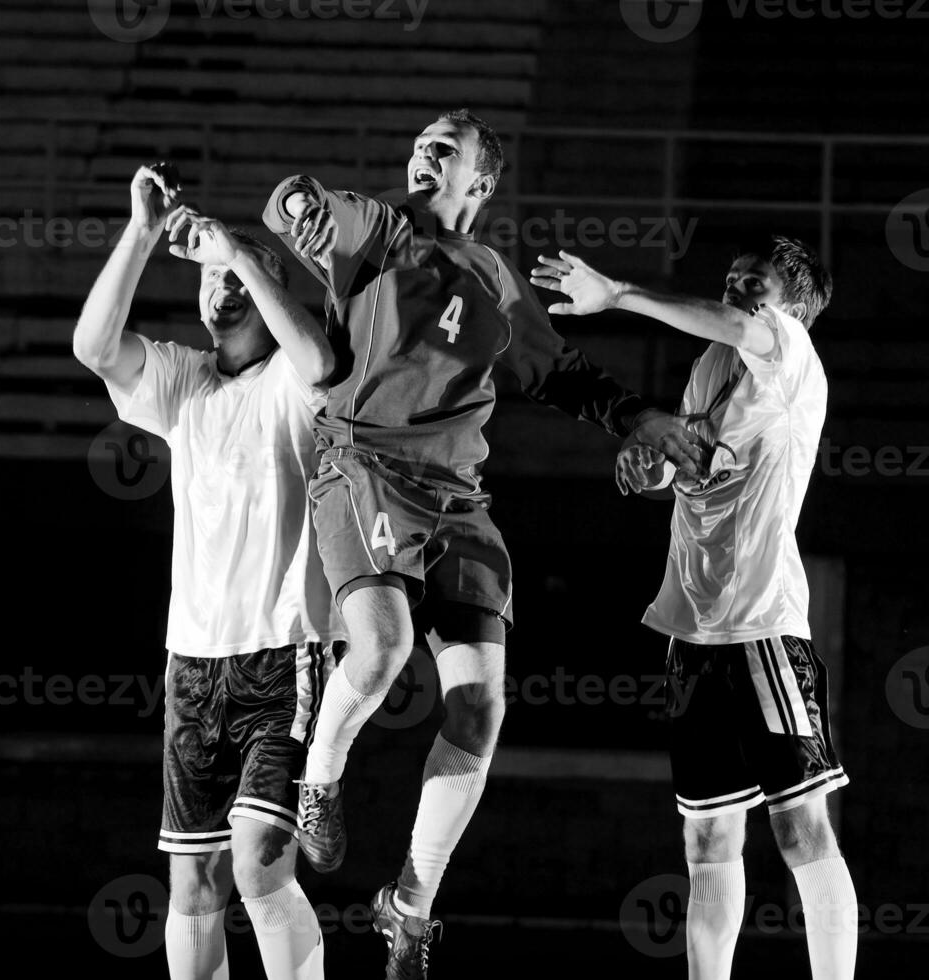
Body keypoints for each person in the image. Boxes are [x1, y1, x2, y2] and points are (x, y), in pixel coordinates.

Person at [261, 109, 706, 978]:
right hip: (363, 466)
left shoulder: (496, 278)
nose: (424, 153)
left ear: (482, 183)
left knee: (481, 707)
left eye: (445, 148)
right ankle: (319, 777)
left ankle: (410, 904)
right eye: (420, 142)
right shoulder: (382, 232)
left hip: (459, 501)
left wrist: (640, 418)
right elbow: (301, 208)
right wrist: (296, 205)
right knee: (384, 648)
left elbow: (561, 374)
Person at [531, 237, 857, 980]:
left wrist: (616, 294)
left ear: (794, 310)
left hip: (765, 629)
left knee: (803, 831)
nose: (740, 288)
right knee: (706, 843)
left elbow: (734, 325)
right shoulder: (712, 366)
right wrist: (647, 462)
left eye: (758, 284)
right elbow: (689, 461)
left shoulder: (789, 352)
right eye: (733, 275)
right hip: (693, 632)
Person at [72, 163, 346, 980]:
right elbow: (94, 346)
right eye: (211, 279)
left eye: (238, 277)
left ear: (266, 285)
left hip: (284, 653)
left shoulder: (296, 380)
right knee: (192, 879)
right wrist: (143, 230)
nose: (220, 290)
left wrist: (241, 250)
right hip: (192, 663)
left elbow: (322, 363)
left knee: (262, 861)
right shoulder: (186, 380)